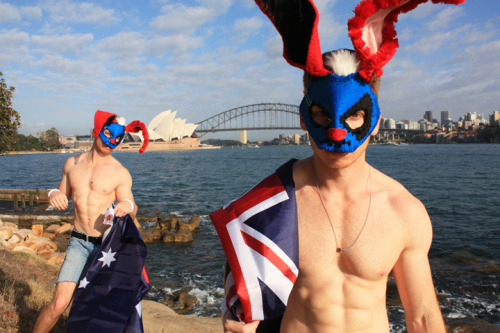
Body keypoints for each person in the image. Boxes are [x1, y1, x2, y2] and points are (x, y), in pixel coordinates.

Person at [211, 0, 466, 332]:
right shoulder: (270, 204)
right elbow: (242, 296)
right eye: (321, 115)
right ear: (304, 118)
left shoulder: (404, 211)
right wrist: (233, 318)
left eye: (355, 115)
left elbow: (422, 317)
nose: (336, 132)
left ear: (374, 121)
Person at [33, 110, 148, 333]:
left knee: (98, 309)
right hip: (78, 243)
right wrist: (52, 194)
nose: (112, 142)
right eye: (108, 134)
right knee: (58, 304)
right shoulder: (71, 164)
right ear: (96, 131)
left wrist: (127, 206)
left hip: (106, 247)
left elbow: (131, 205)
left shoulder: (120, 172)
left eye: (118, 138)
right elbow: (60, 192)